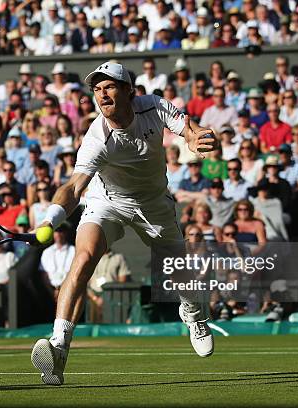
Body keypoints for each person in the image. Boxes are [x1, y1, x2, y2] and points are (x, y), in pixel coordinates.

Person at [30, 62, 217, 385]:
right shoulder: (97, 138)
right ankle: (59, 345)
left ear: (130, 91)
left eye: (110, 86)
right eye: (97, 89)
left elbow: (188, 129)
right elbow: (74, 188)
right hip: (107, 202)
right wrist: (49, 219)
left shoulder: (155, 107)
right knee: (84, 257)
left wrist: (196, 138)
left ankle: (194, 313)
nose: (102, 94)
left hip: (154, 204)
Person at [86, 248, 131, 323]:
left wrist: (106, 297)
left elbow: (122, 281)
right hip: (93, 296)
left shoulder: (118, 257)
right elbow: (86, 282)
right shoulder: (91, 257)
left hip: (112, 295)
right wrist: (94, 298)